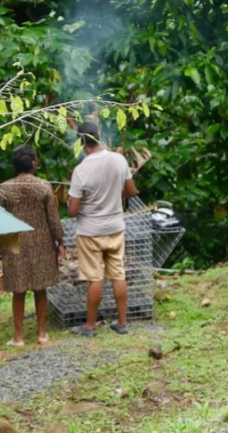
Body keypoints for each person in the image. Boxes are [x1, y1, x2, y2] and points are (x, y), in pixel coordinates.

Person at [68, 122, 139, 336]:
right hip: (115, 227)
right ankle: (122, 322)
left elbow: (73, 211)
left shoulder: (81, 171)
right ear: (99, 136)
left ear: (81, 143)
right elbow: (132, 191)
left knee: (95, 277)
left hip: (90, 231)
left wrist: (71, 202)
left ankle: (89, 326)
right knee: (118, 274)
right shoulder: (119, 160)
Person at [0, 144, 65, 347]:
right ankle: (41, 334)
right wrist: (60, 241)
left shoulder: (4, 188)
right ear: (33, 163)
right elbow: (53, 219)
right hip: (41, 243)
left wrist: (0, 244)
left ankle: (18, 337)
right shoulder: (44, 186)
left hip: (14, 243)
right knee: (40, 288)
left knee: (19, 290)